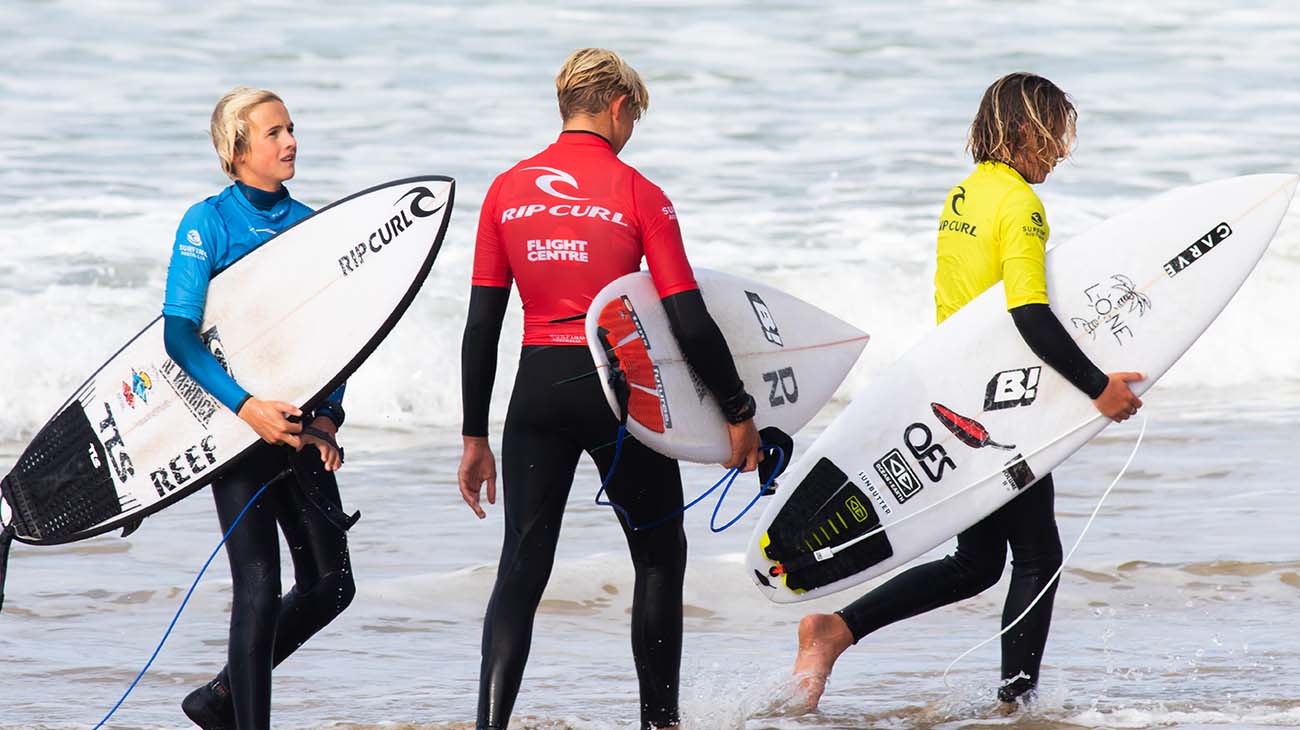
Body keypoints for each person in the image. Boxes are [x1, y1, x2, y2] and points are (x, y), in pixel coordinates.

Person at [790, 73, 1145, 710]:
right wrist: (1098, 389)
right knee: (1039, 554)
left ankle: (834, 630)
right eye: (1053, 137)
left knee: (979, 561)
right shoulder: (1020, 205)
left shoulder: (965, 195)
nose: (1060, 153)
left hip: (958, 390)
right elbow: (1028, 315)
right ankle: (1016, 704)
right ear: (1020, 132)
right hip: (998, 409)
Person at [458, 48, 763, 730]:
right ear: (619, 106)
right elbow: (687, 316)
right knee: (659, 555)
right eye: (636, 117)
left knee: (521, 568)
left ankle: (489, 726)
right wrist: (737, 411)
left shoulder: (505, 191)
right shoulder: (639, 193)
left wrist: (474, 435)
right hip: (618, 395)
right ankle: (660, 722)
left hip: (534, 390)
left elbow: (482, 324)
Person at [162, 87, 356, 730]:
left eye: (292, 129)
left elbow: (335, 341)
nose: (291, 141)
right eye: (274, 133)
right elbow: (179, 334)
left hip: (300, 425)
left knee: (332, 585)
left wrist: (327, 416)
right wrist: (246, 409)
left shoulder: (310, 225)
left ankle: (219, 700)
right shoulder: (207, 223)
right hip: (234, 428)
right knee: (258, 586)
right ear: (237, 148)